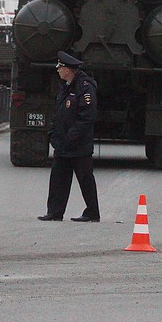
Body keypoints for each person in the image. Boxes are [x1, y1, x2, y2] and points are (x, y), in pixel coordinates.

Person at [38, 51, 100, 222]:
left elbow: (87, 116)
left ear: (68, 69)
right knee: (58, 179)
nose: (58, 70)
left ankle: (92, 212)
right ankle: (55, 212)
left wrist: (72, 136)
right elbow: (58, 113)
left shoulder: (85, 87)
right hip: (62, 144)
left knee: (85, 179)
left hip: (78, 144)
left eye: (60, 67)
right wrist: (53, 133)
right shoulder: (65, 87)